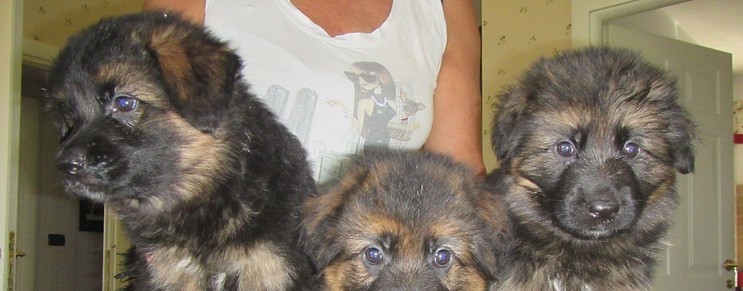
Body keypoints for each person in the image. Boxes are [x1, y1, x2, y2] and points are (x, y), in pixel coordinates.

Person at [141, 0, 485, 182]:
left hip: (365, 287)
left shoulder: (442, 6)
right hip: (227, 272)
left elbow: (460, 176)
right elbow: (144, 142)